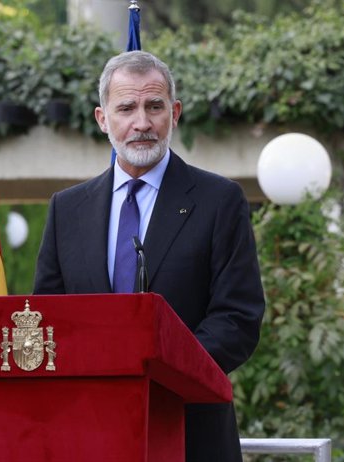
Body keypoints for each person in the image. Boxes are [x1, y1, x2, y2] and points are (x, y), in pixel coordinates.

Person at [33, 50, 265, 462]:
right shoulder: (66, 209)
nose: (142, 122)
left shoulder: (219, 201)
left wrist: (160, 373)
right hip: (90, 431)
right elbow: (50, 319)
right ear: (103, 119)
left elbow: (237, 318)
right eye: (126, 108)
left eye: (154, 106)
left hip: (189, 430)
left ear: (174, 113)